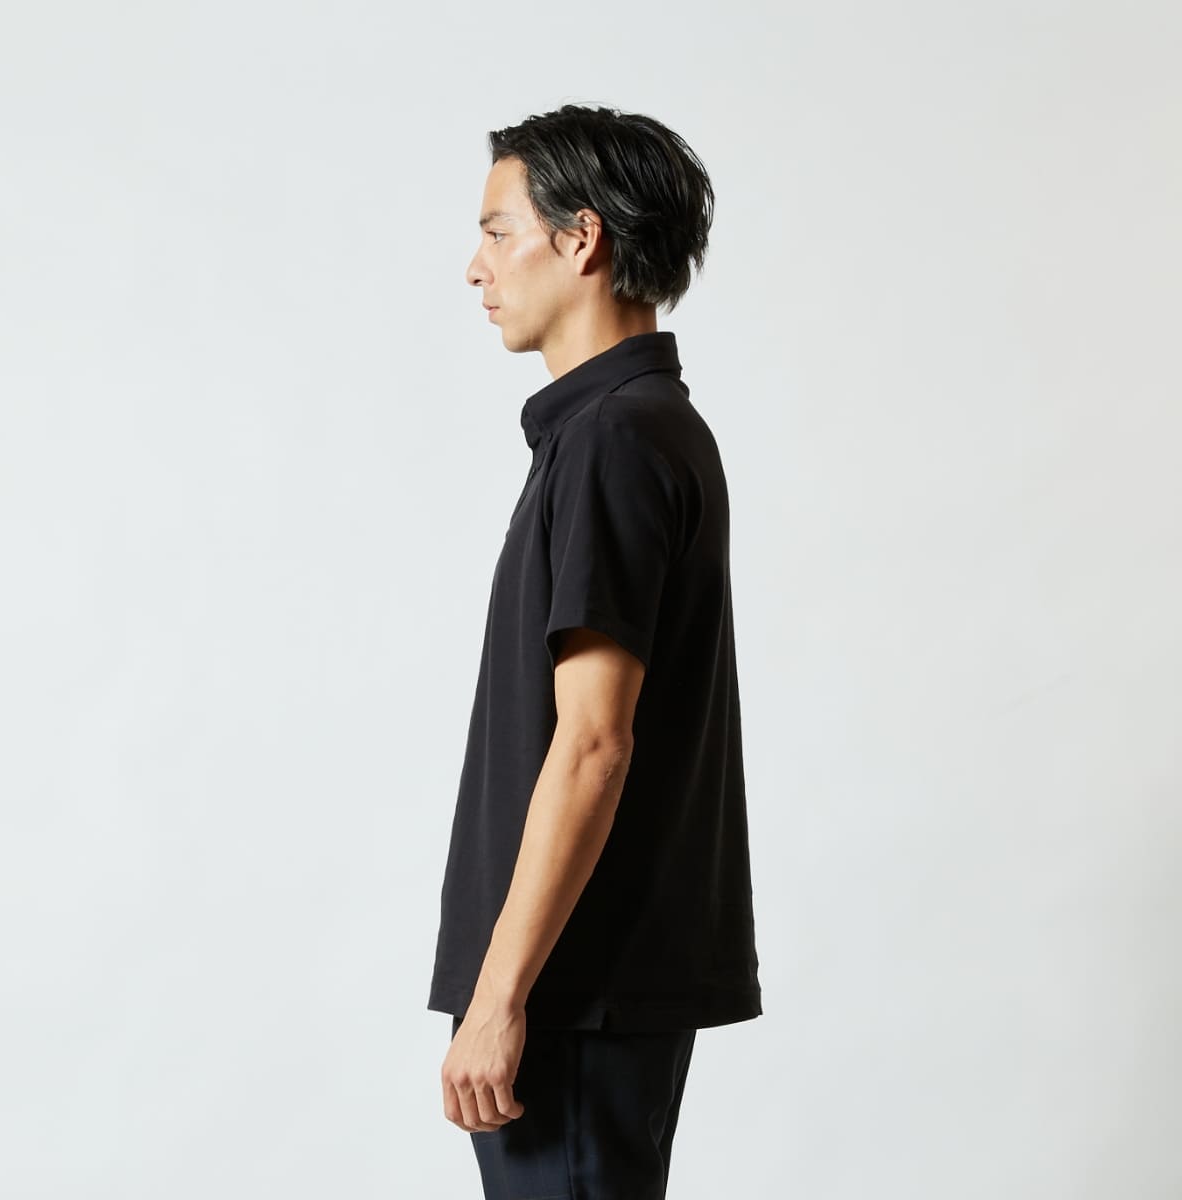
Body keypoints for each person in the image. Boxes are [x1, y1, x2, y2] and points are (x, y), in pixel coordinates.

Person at [428, 102, 762, 1199]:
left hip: (572, 995)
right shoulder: (625, 427)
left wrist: (500, 996)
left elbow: (593, 744)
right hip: (585, 990)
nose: (476, 267)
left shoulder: (616, 437)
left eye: (498, 231)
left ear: (582, 240)